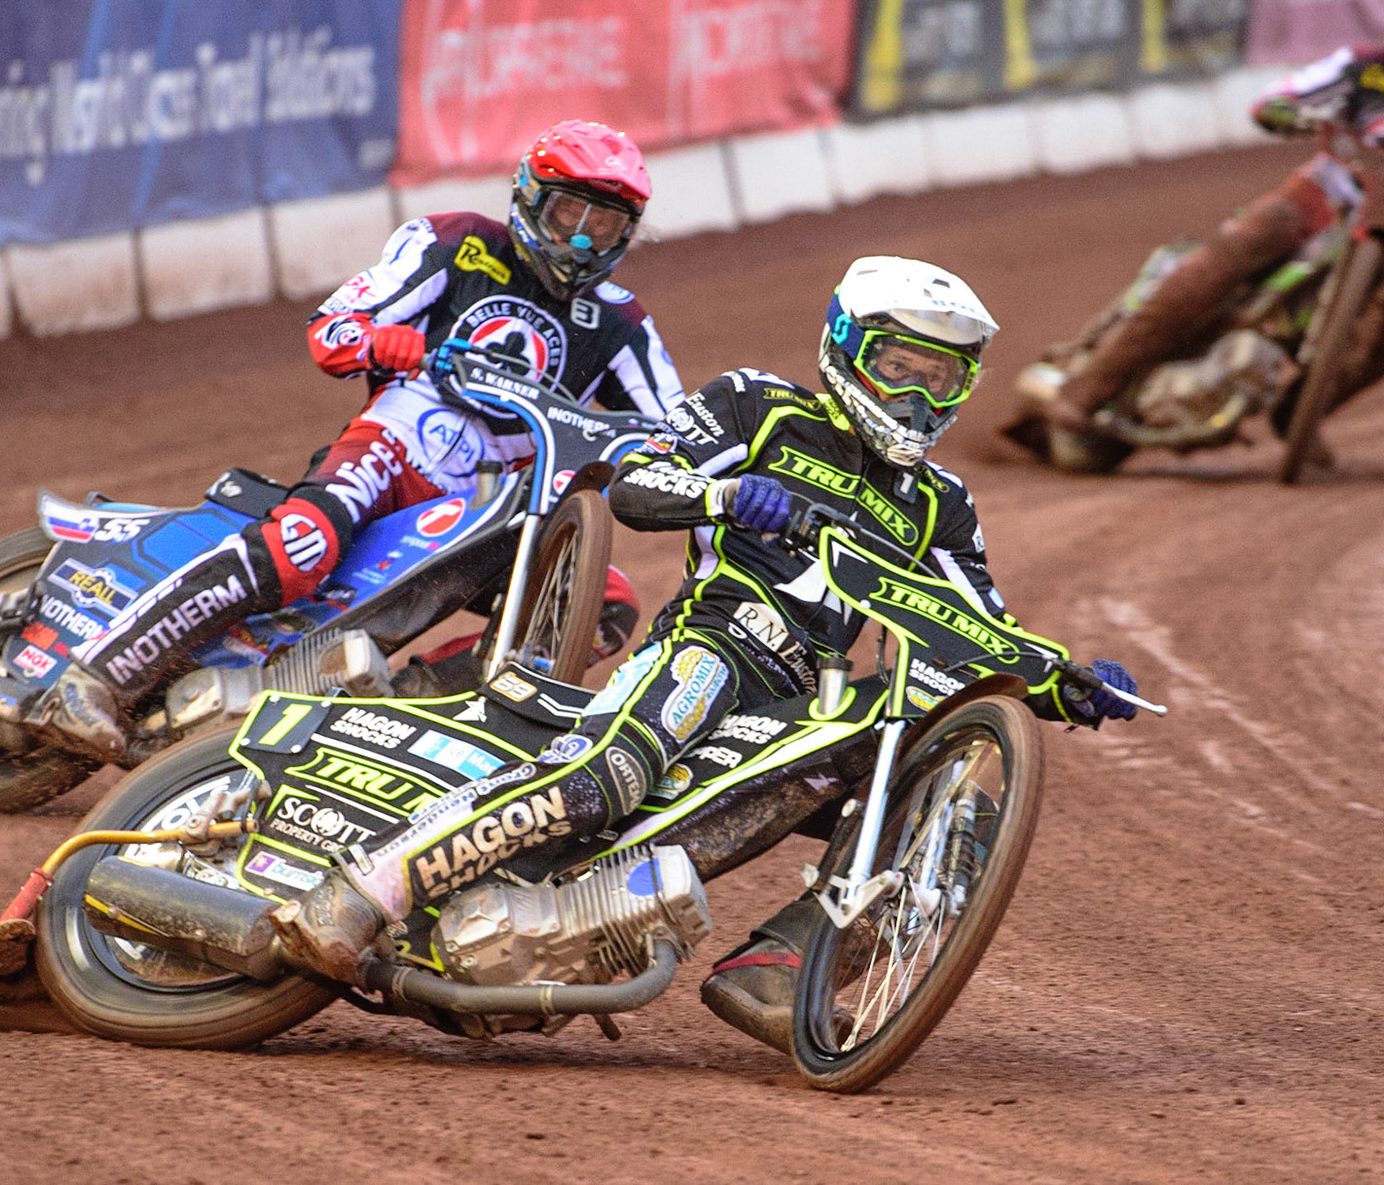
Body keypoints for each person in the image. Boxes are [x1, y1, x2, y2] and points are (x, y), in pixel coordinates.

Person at [271, 255, 1140, 1052]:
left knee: (950, 808)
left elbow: (981, 627)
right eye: (898, 369)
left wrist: (1067, 680)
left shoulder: (942, 504)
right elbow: (637, 481)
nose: (916, 399)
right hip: (715, 648)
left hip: (809, 705)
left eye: (939, 379)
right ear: (847, 349)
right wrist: (727, 495)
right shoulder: (761, 405)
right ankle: (362, 892)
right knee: (604, 778)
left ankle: (780, 970)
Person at [31, 120, 683, 761]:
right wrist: (381, 341)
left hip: (498, 508)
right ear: (532, 198)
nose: (581, 238)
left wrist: (688, 472)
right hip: (391, 448)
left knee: (604, 608)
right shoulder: (456, 243)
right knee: (300, 544)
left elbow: (677, 431)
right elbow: (333, 327)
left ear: (626, 232)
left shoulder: (622, 323)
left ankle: (404, 704)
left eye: (604, 224)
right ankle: (92, 680)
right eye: (570, 212)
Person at [1036, 0, 1384, 450]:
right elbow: (1285, 95)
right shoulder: (1361, 67)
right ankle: (1090, 388)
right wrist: (1285, 110)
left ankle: (1301, 414)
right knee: (1243, 244)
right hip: (1315, 200)